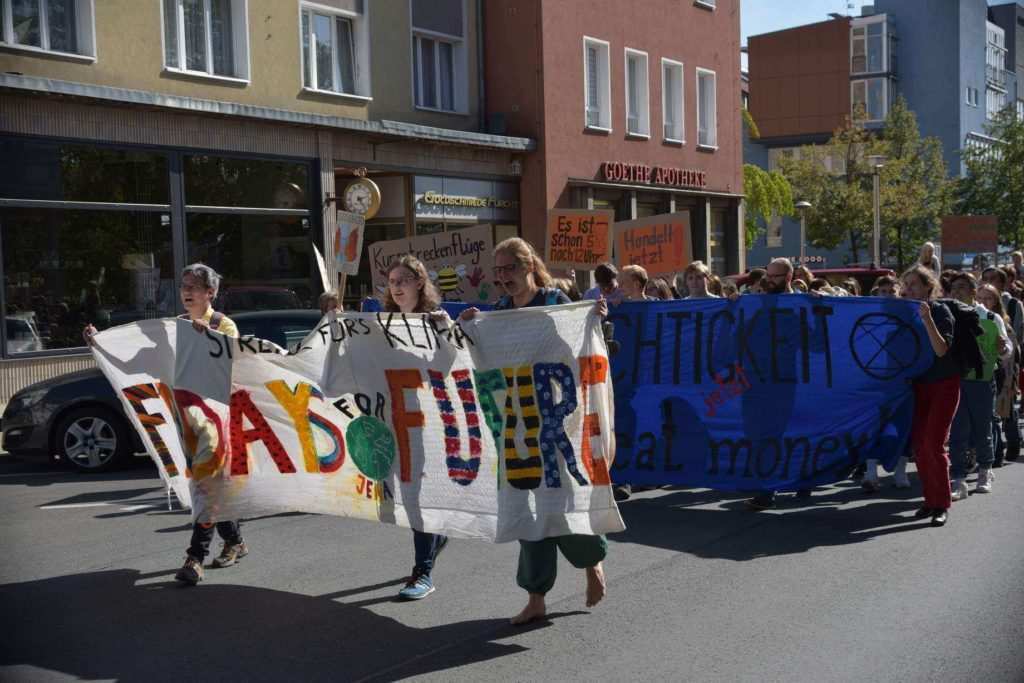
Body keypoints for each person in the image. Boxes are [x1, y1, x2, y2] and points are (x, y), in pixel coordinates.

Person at [460, 237, 609, 626]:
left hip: (557, 426)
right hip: (516, 427)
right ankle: (536, 596)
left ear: (529, 266)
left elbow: (580, 349)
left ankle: (590, 562)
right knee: (527, 510)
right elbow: (480, 357)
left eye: (510, 268)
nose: (503, 277)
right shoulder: (497, 314)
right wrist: (469, 329)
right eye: (499, 271)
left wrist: (592, 317)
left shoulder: (556, 306)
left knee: (561, 500)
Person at [375, 255, 453, 600]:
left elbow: (452, 363)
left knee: (418, 496)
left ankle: (423, 572)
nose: (397, 287)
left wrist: (447, 332)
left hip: (428, 423)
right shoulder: (381, 324)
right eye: (392, 281)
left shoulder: (434, 322)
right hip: (395, 421)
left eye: (403, 280)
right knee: (408, 496)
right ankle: (434, 541)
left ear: (420, 283)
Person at [902, 265, 958, 527]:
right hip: (919, 386)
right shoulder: (903, 313)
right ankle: (929, 500)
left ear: (928, 286)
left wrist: (927, 319)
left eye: (914, 284)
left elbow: (940, 350)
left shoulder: (940, 311)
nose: (909, 289)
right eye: (907, 284)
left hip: (944, 384)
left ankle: (941, 504)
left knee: (934, 444)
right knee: (920, 447)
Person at [947, 273, 1009, 499]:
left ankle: (985, 471)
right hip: (954, 381)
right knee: (957, 431)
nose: (956, 292)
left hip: (981, 382)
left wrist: (1003, 348)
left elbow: (1005, 351)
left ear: (974, 292)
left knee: (983, 430)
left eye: (962, 287)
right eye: (953, 288)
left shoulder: (991, 318)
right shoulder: (946, 315)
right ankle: (958, 479)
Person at [861, 275, 911, 491]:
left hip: (904, 381)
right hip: (875, 381)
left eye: (892, 291)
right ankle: (871, 473)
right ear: (876, 292)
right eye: (884, 291)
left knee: (904, 425)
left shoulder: (910, 314)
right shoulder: (865, 315)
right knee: (874, 426)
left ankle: (900, 471)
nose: (888, 295)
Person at [977, 283, 1018, 468]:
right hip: (980, 371)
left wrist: (1009, 382)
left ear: (996, 301)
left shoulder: (1000, 321)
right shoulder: (974, 316)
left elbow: (1010, 355)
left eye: (989, 298)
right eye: (981, 297)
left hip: (1000, 372)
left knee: (999, 415)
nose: (984, 302)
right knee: (989, 416)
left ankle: (999, 452)